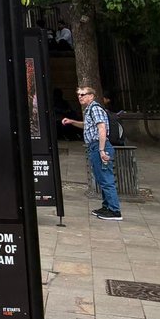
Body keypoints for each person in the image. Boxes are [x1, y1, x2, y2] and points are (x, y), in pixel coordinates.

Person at [62, 86, 122, 221]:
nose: (80, 97)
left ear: (91, 96)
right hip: (95, 146)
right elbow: (88, 125)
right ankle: (107, 206)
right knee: (101, 178)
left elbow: (102, 129)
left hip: (99, 146)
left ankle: (114, 210)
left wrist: (101, 150)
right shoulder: (90, 110)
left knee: (106, 179)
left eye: (83, 94)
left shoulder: (95, 109)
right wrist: (72, 122)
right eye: (78, 94)